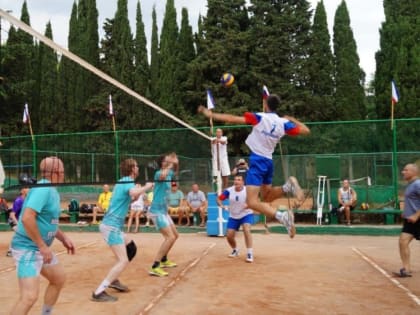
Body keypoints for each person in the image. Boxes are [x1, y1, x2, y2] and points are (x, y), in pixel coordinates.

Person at [198, 94, 310, 238]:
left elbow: (232, 119)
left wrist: (211, 114)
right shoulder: (283, 123)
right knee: (267, 197)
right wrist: (291, 119)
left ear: (265, 104)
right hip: (269, 161)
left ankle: (282, 217)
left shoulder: (259, 117)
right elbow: (306, 130)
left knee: (251, 202)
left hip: (257, 161)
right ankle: (287, 187)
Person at [9, 156, 75, 315]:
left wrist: (63, 237)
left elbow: (47, 222)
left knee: (58, 279)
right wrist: (42, 245)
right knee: (29, 297)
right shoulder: (43, 188)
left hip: (38, 248)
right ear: (56, 172)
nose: (64, 174)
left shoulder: (51, 189)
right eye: (62, 171)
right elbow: (26, 217)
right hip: (27, 248)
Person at [92, 159, 153, 302]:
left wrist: (135, 197)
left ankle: (114, 279)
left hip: (114, 226)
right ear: (132, 169)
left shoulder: (123, 181)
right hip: (111, 226)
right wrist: (146, 187)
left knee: (131, 248)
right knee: (123, 260)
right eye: (136, 166)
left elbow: (124, 199)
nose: (138, 168)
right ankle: (99, 292)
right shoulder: (127, 182)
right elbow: (132, 191)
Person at [148, 152, 180, 277]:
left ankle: (164, 259)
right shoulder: (158, 173)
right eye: (167, 160)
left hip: (163, 211)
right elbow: (163, 175)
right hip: (156, 211)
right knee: (170, 237)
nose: (169, 161)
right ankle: (155, 266)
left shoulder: (169, 172)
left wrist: (175, 163)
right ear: (162, 163)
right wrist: (171, 164)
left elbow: (175, 171)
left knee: (175, 235)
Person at [217, 175, 255, 263]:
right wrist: (222, 206)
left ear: (243, 182)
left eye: (239, 180)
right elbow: (219, 199)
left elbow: (254, 201)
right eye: (235, 179)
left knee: (246, 229)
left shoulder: (247, 190)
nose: (236, 181)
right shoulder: (229, 191)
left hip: (246, 214)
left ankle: (249, 253)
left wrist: (248, 205)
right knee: (229, 235)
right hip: (233, 216)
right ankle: (235, 250)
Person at [395, 163, 420, 278]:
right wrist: (406, 213)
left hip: (418, 219)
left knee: (403, 241)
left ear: (413, 172)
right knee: (403, 241)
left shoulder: (417, 184)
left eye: (406, 170)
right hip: (410, 220)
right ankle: (406, 269)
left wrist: (416, 215)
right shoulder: (410, 185)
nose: (403, 172)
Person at [6, 186, 29, 257]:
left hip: (20, 220)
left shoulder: (27, 200)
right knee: (20, 233)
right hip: (13, 220)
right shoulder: (19, 200)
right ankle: (10, 251)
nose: (29, 189)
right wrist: (18, 224)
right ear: (22, 191)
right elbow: (12, 215)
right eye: (27, 188)